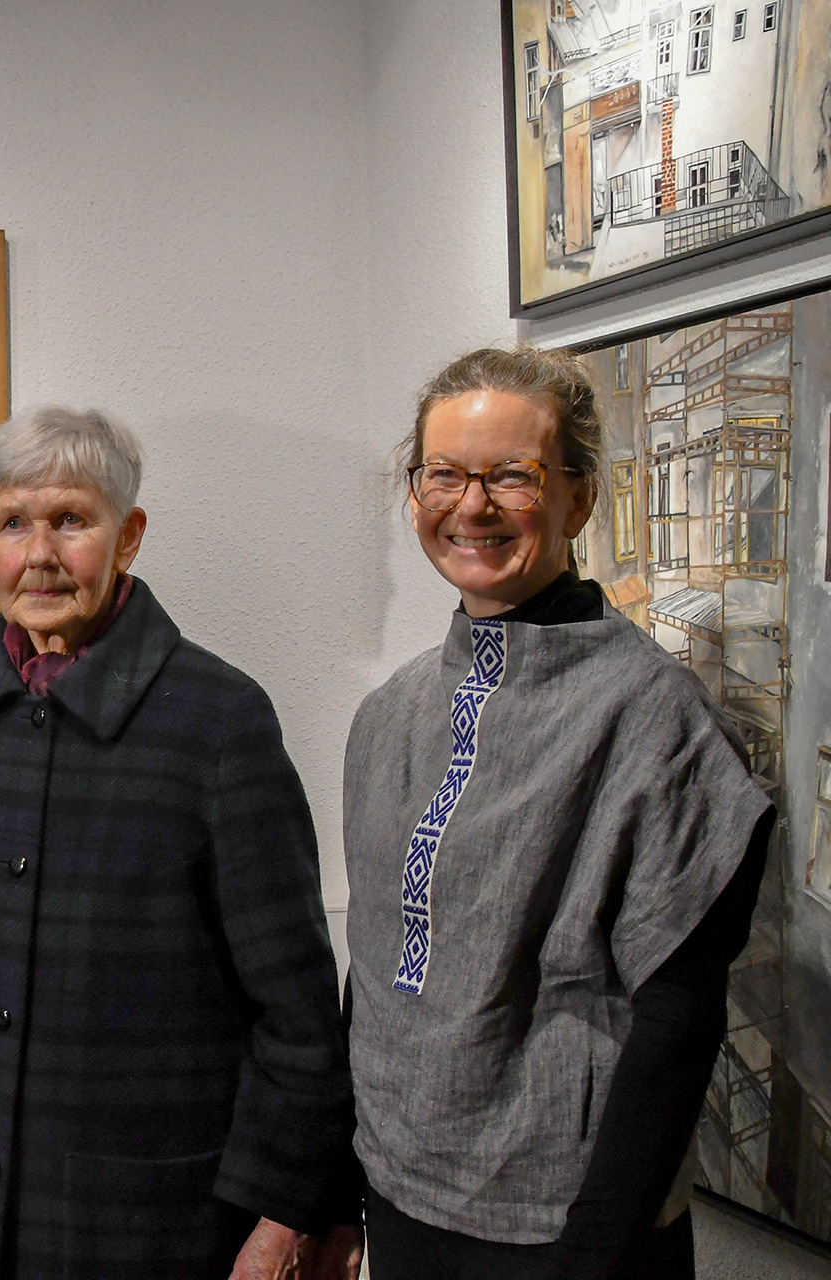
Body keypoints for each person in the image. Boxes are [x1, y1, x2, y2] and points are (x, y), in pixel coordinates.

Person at [0, 406, 362, 1280]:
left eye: (72, 520)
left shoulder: (219, 722)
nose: (41, 555)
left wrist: (288, 1214)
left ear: (129, 536)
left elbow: (295, 1012)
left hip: (155, 1225)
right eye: (15, 524)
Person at [343, 347, 775, 1280]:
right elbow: (377, 968)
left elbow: (679, 1017)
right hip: (402, 1198)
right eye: (444, 474)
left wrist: (596, 1253)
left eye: (512, 475)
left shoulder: (660, 722)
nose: (472, 505)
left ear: (579, 499)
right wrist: (334, 1186)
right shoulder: (391, 716)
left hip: (564, 1226)